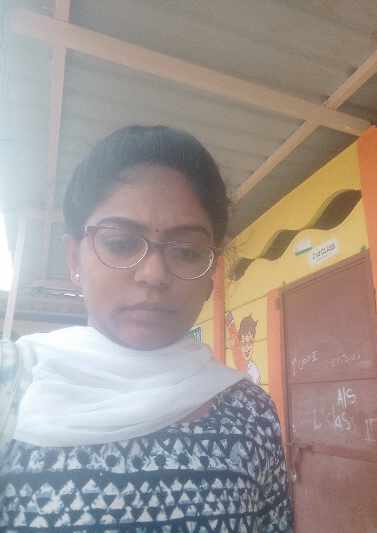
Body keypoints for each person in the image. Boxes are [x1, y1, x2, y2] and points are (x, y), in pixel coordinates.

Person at [0, 126, 293, 532]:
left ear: (211, 275)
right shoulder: (12, 382)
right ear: (74, 260)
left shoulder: (251, 412)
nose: (153, 274)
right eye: (121, 243)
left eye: (187, 251)